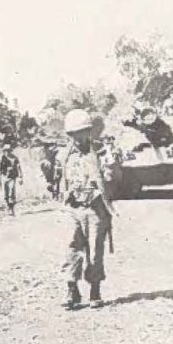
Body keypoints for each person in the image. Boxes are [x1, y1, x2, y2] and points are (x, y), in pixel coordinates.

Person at [60, 109, 120, 310]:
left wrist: (110, 169)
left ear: (89, 132)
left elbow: (114, 179)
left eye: (83, 132)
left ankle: (95, 289)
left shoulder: (101, 152)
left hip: (95, 208)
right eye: (74, 134)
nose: (79, 137)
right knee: (71, 249)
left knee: (95, 251)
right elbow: (58, 180)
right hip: (73, 208)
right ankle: (72, 289)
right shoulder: (64, 155)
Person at [0, 144, 24, 216]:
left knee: (11, 192)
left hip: (12, 177)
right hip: (5, 177)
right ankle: (9, 207)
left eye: (8, 151)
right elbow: (0, 169)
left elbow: (19, 168)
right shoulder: (3, 158)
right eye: (5, 151)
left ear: (10, 151)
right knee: (6, 194)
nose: (7, 152)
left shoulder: (14, 158)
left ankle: (11, 208)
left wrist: (21, 177)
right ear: (4, 151)